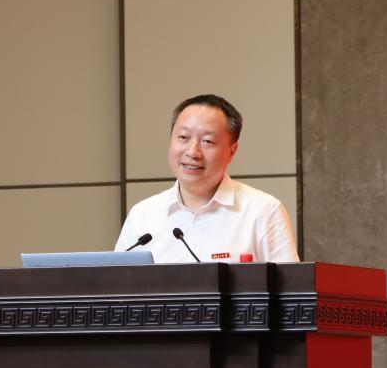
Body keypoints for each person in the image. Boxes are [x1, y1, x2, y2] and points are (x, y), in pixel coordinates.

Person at [114, 94, 300, 263]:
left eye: (207, 141)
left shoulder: (263, 211)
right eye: (183, 137)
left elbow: (292, 287)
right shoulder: (142, 215)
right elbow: (115, 284)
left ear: (231, 151)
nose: (193, 152)